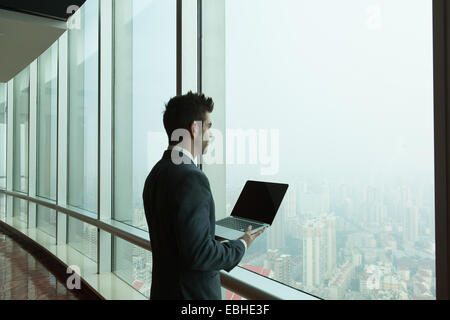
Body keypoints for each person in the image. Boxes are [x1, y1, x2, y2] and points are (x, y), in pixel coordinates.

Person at [142, 92, 264, 300]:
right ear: (195, 128)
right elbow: (200, 254)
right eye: (208, 127)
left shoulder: (156, 173)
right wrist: (242, 243)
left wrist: (207, 232)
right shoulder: (191, 178)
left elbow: (176, 237)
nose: (210, 134)